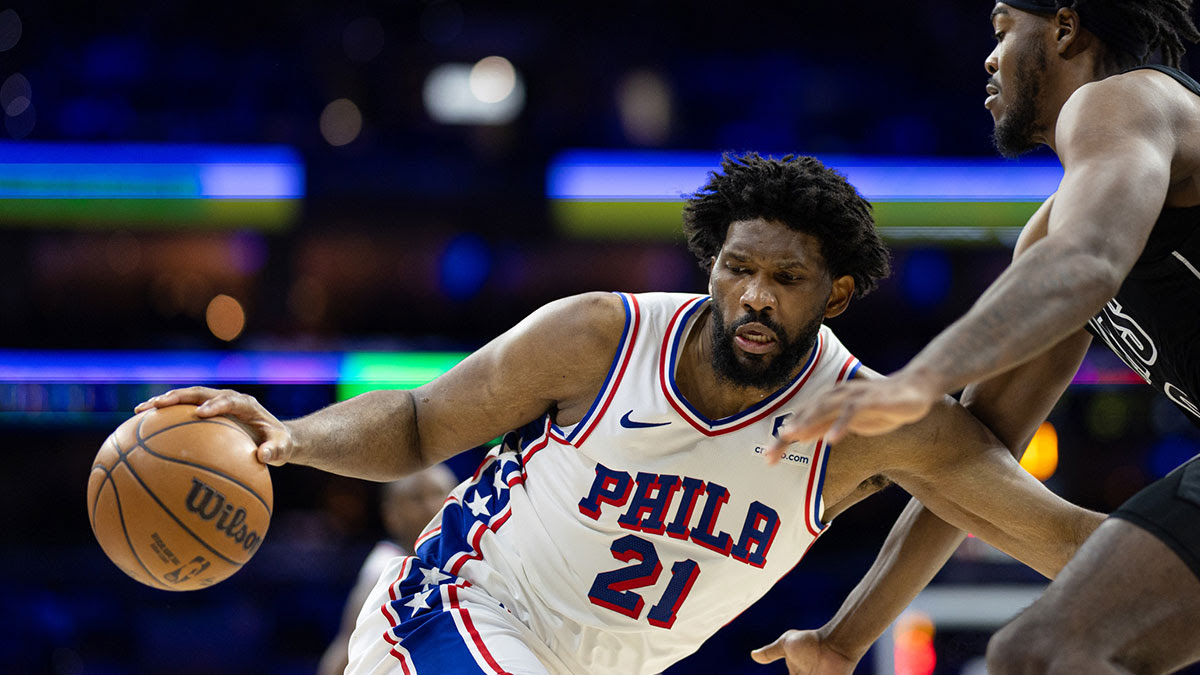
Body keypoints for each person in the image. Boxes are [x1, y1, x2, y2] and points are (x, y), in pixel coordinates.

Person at [136, 153, 1103, 675]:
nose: (755, 296)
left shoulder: (869, 423)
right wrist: (293, 438)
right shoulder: (601, 337)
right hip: (456, 615)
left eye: (787, 278)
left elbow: (1060, 537)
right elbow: (424, 423)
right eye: (738, 269)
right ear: (710, 268)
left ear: (836, 296)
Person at [762, 2, 1200, 673]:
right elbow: (966, 457)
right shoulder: (1051, 234)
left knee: (1046, 653)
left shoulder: (1123, 99)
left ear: (1063, 27)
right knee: (1045, 649)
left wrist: (917, 381)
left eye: (1001, 32)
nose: (988, 60)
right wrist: (844, 638)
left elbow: (1086, 264)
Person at [318, 465, 458, 675]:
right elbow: (344, 651)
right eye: (416, 498)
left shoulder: (476, 557)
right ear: (390, 514)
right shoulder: (384, 568)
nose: (431, 506)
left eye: (439, 494)